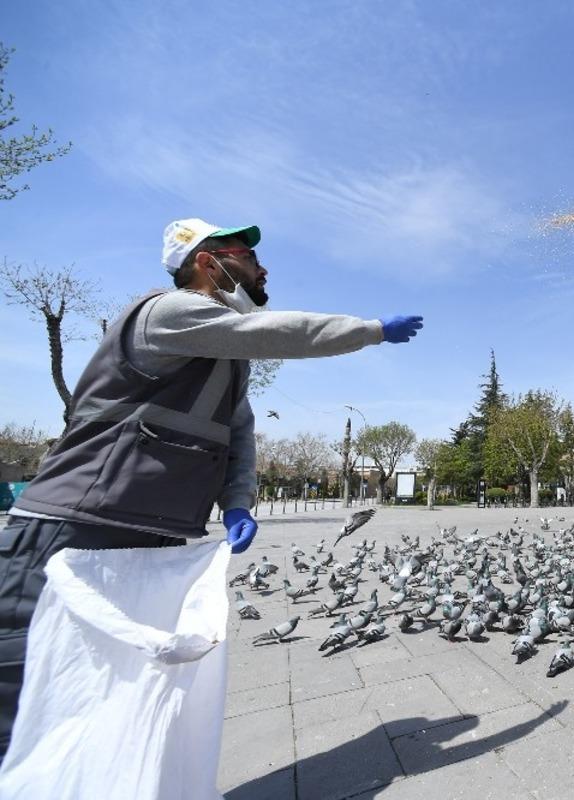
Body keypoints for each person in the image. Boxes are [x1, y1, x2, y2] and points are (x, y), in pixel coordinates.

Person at [0, 218, 423, 759]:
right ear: (207, 262)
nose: (263, 268)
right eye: (248, 256)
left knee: (103, 698)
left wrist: (237, 502)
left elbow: (238, 431)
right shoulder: (167, 312)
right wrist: (369, 330)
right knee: (20, 690)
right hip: (74, 527)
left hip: (150, 537)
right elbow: (276, 333)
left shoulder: (223, 355)